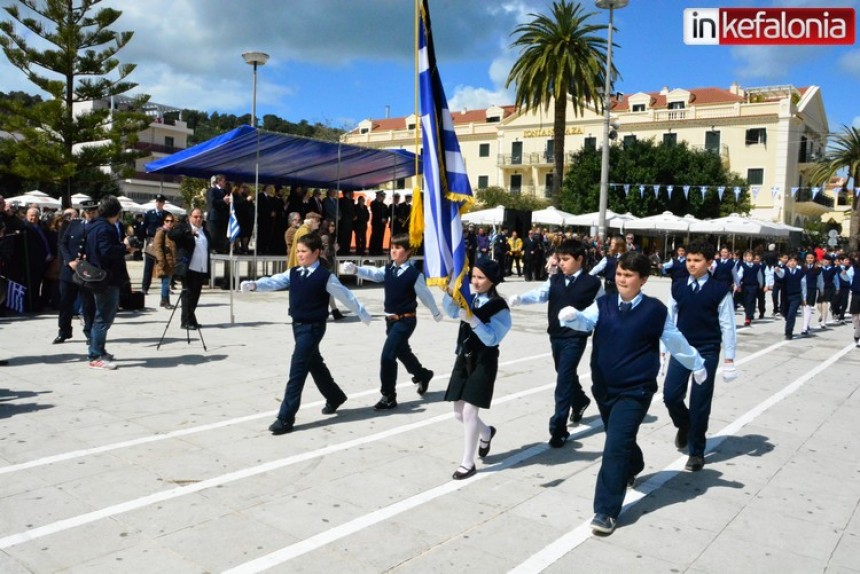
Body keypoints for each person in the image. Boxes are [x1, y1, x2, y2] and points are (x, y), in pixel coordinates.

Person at [558, 252, 706, 535]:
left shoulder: (655, 310)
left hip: (635, 390)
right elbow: (586, 321)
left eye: (628, 275)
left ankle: (606, 511)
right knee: (620, 440)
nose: (622, 279)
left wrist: (696, 364)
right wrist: (572, 317)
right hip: (604, 388)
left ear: (643, 279)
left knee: (614, 447)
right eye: (619, 274)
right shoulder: (603, 304)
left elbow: (675, 341)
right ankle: (634, 463)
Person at [240, 233, 372, 435]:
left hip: (314, 327)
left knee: (297, 369)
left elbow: (345, 295)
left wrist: (362, 313)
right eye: (298, 251)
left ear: (316, 252)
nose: (300, 255)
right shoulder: (294, 272)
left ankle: (285, 417)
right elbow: (275, 281)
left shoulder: (325, 276)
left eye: (304, 251)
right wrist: (255, 284)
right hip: (297, 326)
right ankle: (334, 396)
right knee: (314, 364)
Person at [509, 239, 603, 447]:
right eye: (559, 259)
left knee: (563, 381)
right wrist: (521, 299)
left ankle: (558, 428)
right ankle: (579, 401)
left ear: (580, 259)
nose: (561, 263)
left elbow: (602, 308)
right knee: (564, 372)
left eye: (566, 259)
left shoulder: (593, 283)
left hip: (576, 337)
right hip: (556, 335)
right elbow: (540, 294)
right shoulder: (555, 280)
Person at [342, 234, 442, 409]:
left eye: (398, 248)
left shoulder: (413, 274)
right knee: (402, 352)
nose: (393, 251)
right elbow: (374, 273)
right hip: (390, 321)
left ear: (409, 251)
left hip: (406, 320)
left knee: (387, 356)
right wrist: (356, 269)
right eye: (392, 247)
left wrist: (435, 311)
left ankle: (388, 396)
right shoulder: (388, 269)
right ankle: (422, 374)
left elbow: (425, 295)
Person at [663, 242, 737, 473]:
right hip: (682, 349)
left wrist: (729, 359)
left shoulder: (719, 289)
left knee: (700, 402)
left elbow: (728, 325)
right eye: (689, 260)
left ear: (709, 263)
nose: (692, 264)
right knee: (670, 395)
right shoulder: (678, 286)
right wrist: (664, 349)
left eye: (697, 260)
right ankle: (685, 425)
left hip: (706, 350)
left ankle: (696, 452)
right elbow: (669, 319)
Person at [441, 259, 511, 480]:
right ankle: (487, 432)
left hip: (484, 360)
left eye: (481, 278)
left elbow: (492, 338)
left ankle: (467, 462)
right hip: (464, 357)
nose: (476, 282)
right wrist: (450, 292)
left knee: (470, 412)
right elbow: (452, 312)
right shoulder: (470, 297)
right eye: (474, 277)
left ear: (492, 280)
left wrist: (473, 320)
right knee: (458, 413)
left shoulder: (499, 307)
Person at [82, 195, 131, 370]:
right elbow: (107, 252)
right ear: (115, 212)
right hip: (106, 278)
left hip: (97, 275)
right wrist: (125, 247)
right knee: (103, 318)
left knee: (102, 316)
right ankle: (95, 355)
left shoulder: (94, 225)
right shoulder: (106, 228)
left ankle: (99, 351)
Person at [55, 201, 97, 344]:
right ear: (83, 212)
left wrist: (90, 257)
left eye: (93, 212)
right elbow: (63, 243)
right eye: (88, 212)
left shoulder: (98, 226)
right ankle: (64, 331)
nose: (90, 214)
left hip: (87, 271)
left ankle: (90, 332)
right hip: (70, 270)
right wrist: (69, 261)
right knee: (65, 302)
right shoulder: (74, 224)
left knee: (88, 304)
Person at [169, 208, 211, 330]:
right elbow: (171, 235)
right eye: (196, 217)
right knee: (188, 295)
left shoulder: (204, 231)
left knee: (196, 296)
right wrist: (188, 231)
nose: (198, 219)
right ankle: (185, 321)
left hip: (201, 268)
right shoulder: (184, 228)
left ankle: (191, 319)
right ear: (190, 217)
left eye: (200, 217)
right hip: (189, 267)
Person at [772, 255, 806, 340]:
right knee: (785, 313)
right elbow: (780, 274)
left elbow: (804, 286)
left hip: (796, 296)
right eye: (790, 261)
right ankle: (789, 322)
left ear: (797, 263)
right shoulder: (784, 270)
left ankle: (789, 333)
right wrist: (778, 270)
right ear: (788, 262)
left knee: (792, 314)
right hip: (785, 296)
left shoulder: (801, 273)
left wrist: (804, 298)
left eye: (794, 261)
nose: (792, 262)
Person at [141, 194, 168, 294]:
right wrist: (146, 239)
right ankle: (145, 288)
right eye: (157, 201)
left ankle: (165, 289)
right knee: (148, 266)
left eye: (160, 201)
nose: (158, 203)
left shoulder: (167, 215)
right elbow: (143, 228)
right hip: (152, 241)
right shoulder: (149, 214)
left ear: (163, 203)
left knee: (164, 265)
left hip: (163, 241)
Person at [320, 218, 345, 321]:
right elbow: (324, 253)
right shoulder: (325, 237)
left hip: (328, 265)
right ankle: (333, 311)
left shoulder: (329, 236)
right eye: (331, 226)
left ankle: (334, 311)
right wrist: (334, 249)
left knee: (329, 290)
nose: (333, 228)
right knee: (328, 290)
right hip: (326, 266)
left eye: (334, 226)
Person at [152, 213, 178, 309]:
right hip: (164, 261)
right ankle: (165, 301)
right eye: (167, 221)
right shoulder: (161, 232)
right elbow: (157, 247)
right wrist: (161, 260)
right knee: (166, 282)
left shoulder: (172, 232)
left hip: (171, 261)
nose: (169, 222)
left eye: (171, 221)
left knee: (166, 282)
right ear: (164, 221)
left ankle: (164, 300)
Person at [737, 250, 764, 328]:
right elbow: (739, 275)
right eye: (747, 256)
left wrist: (761, 283)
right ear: (744, 258)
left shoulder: (756, 266)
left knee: (751, 301)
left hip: (753, 286)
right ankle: (750, 312)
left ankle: (748, 318)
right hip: (745, 286)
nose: (749, 258)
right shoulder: (743, 266)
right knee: (745, 301)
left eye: (750, 256)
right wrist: (737, 284)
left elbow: (760, 276)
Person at [206, 175, 231, 254]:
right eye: (223, 181)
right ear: (219, 181)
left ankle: (221, 247)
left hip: (223, 217)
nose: (225, 183)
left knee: (221, 233)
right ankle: (213, 248)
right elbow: (212, 202)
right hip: (214, 216)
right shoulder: (212, 190)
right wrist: (223, 200)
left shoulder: (225, 192)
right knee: (214, 233)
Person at [800, 252, 821, 336]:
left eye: (811, 258)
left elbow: (820, 281)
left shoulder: (818, 269)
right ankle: (807, 324)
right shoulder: (801, 268)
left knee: (807, 307)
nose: (810, 259)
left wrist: (821, 289)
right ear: (805, 258)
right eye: (808, 257)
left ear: (814, 259)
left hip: (811, 290)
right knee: (803, 309)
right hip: (802, 289)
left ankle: (804, 328)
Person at [818, 255, 840, 328]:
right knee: (819, 305)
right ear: (822, 261)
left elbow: (836, 279)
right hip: (820, 288)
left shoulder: (833, 269)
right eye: (824, 260)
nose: (825, 261)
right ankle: (821, 314)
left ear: (830, 262)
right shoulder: (819, 269)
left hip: (829, 288)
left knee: (825, 304)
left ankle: (824, 321)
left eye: (827, 260)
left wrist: (837, 288)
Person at [369, 190, 388, 255]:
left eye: (383, 196)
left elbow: (386, 214)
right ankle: (372, 250)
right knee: (375, 236)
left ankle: (379, 250)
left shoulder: (384, 205)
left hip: (382, 224)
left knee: (381, 237)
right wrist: (381, 219)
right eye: (381, 196)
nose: (382, 197)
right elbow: (375, 212)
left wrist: (385, 220)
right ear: (377, 196)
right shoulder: (373, 203)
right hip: (376, 223)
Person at [337, 190, 355, 255]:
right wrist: (352, 215)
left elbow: (353, 210)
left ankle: (347, 250)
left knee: (348, 237)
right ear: (347, 193)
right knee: (343, 238)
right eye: (351, 193)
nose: (352, 194)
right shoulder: (341, 200)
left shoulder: (351, 201)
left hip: (350, 223)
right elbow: (345, 210)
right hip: (344, 222)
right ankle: (342, 252)